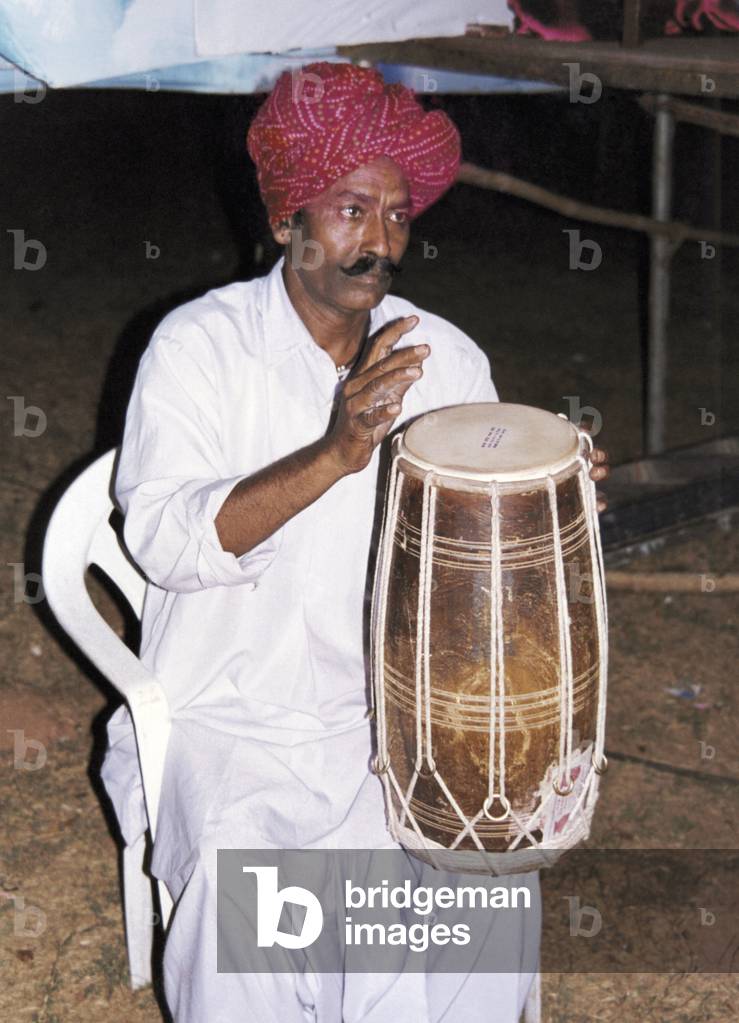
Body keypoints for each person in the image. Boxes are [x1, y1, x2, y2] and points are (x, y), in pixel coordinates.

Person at [101, 61, 609, 1022]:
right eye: (348, 209)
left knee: (478, 870)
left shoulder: (444, 358)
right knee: (245, 888)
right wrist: (336, 451)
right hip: (232, 715)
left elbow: (493, 554)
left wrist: (562, 500)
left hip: (397, 720)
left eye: (397, 216)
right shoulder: (198, 348)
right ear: (287, 215)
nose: (377, 241)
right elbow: (166, 539)